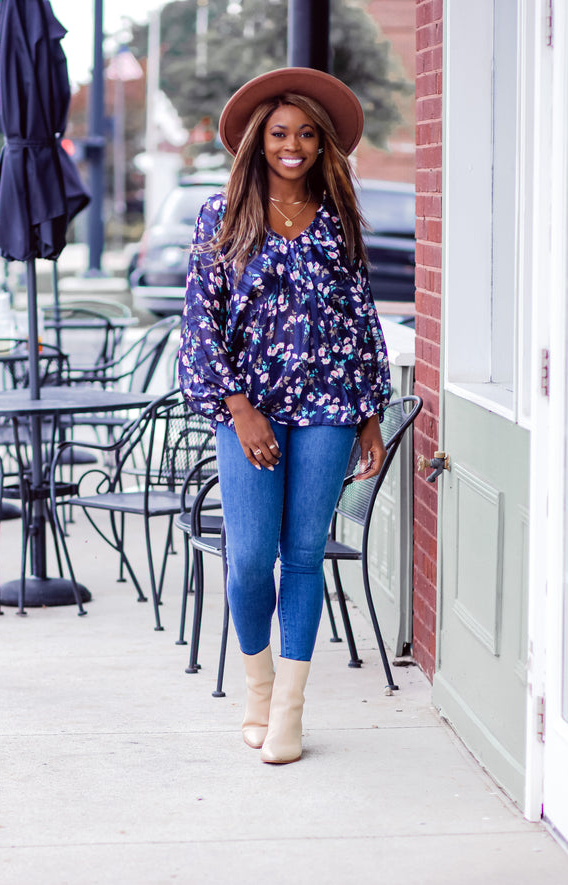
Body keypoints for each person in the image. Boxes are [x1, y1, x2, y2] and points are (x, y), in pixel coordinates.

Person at [179, 67, 391, 765]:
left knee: (302, 556)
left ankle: (291, 715)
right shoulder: (223, 214)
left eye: (305, 134)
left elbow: (361, 320)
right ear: (257, 142)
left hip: (331, 404)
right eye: (279, 133)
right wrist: (238, 407)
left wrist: (369, 414)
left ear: (323, 144)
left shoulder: (338, 218)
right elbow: (200, 323)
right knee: (248, 560)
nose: (292, 145)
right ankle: (258, 690)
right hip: (251, 408)